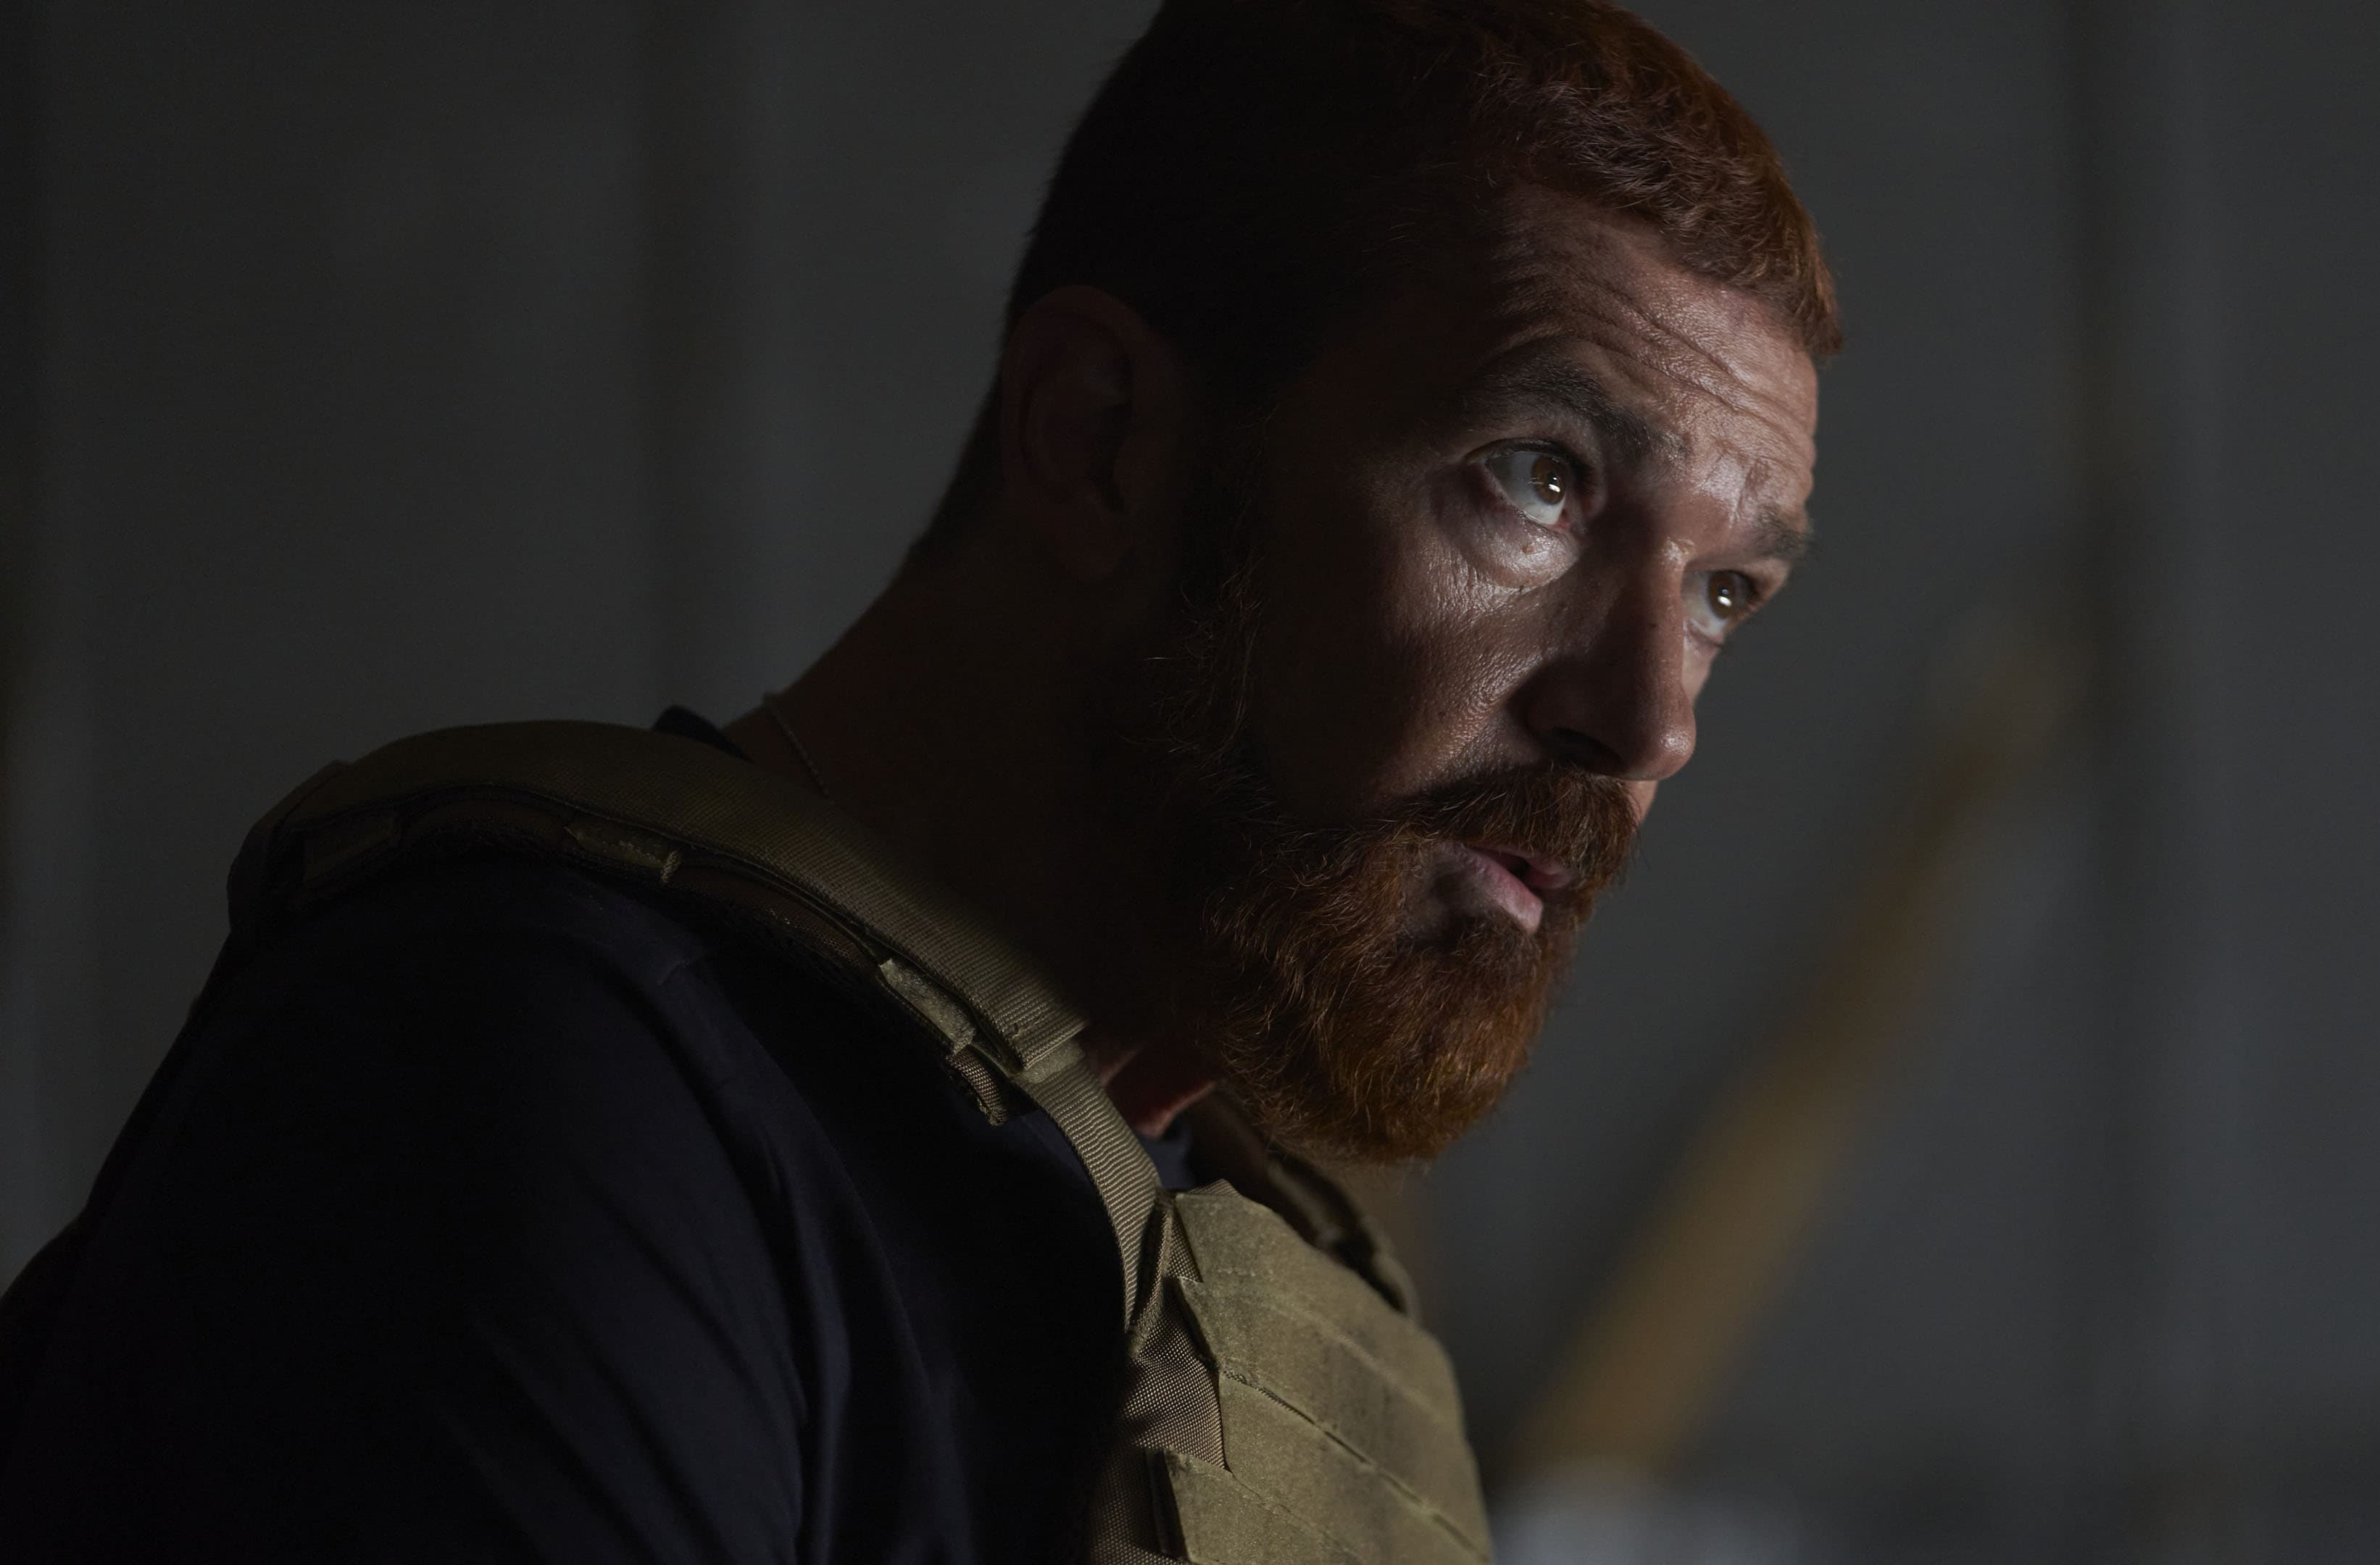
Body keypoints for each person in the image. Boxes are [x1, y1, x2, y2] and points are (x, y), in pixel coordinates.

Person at [0, 0, 1833, 1558]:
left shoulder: (1244, 1269)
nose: (1650, 720)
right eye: (1540, 480)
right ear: (1099, 442)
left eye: (1726, 594)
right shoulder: (516, 1084)